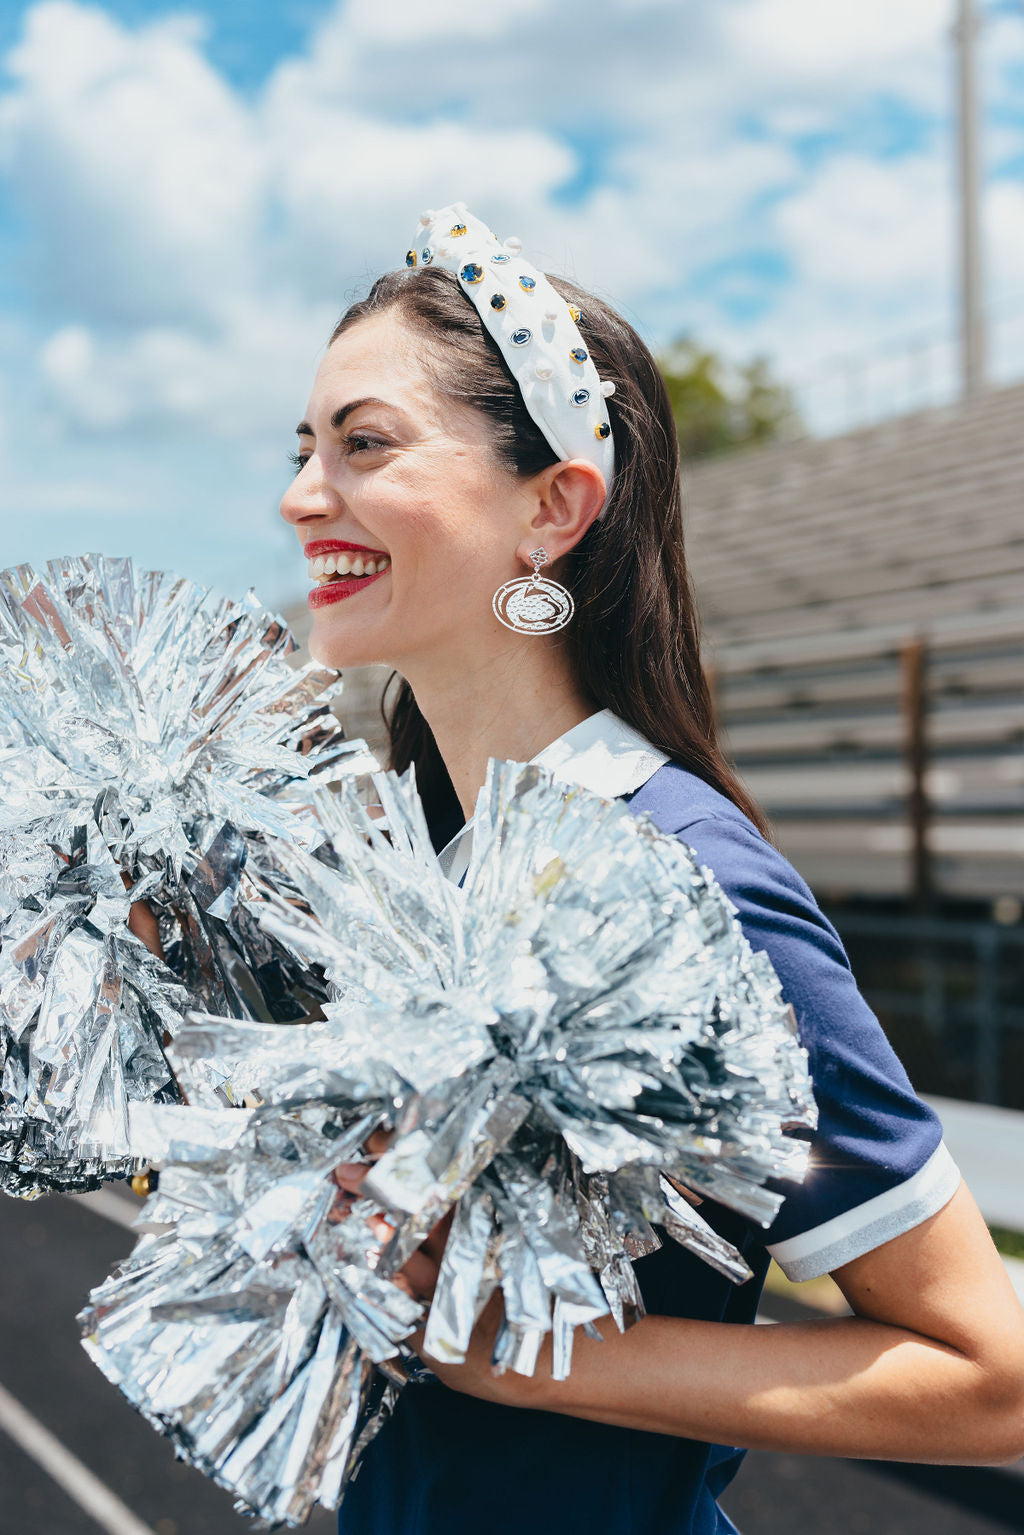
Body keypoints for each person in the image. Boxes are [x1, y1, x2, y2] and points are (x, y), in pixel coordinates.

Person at [276, 202, 1024, 1535]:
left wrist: (523, 1353)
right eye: (303, 450)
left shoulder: (692, 884)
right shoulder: (426, 858)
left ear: (552, 510)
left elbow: (984, 1378)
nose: (300, 495)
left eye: (364, 445)